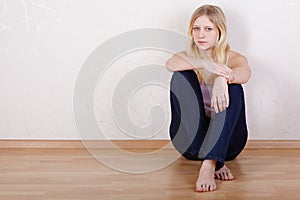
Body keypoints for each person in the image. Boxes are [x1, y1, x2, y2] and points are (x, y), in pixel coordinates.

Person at [165, 4, 251, 192]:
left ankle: (210, 163)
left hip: (229, 144)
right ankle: (215, 161)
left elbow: (245, 73)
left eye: (208, 28)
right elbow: (170, 64)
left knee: (235, 87)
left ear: (220, 31)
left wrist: (222, 78)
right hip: (192, 144)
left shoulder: (234, 58)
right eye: (196, 28)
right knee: (180, 76)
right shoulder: (187, 58)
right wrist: (206, 65)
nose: (201, 35)